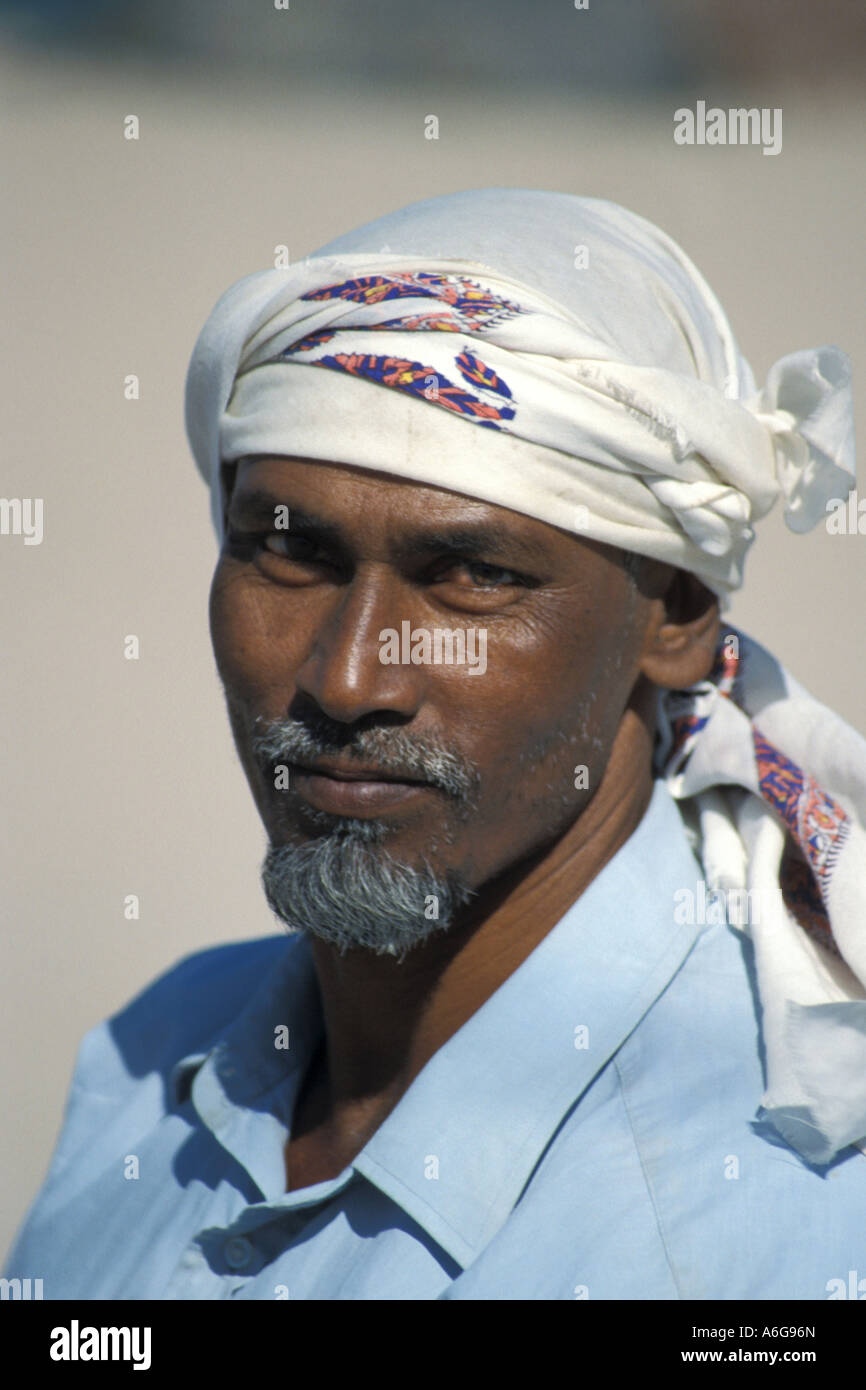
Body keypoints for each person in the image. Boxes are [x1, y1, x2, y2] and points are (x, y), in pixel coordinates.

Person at [5, 189, 866, 1301]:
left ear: (676, 615)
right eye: (288, 553)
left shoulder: (773, 1236)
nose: (347, 676)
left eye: (472, 576)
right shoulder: (150, 1062)